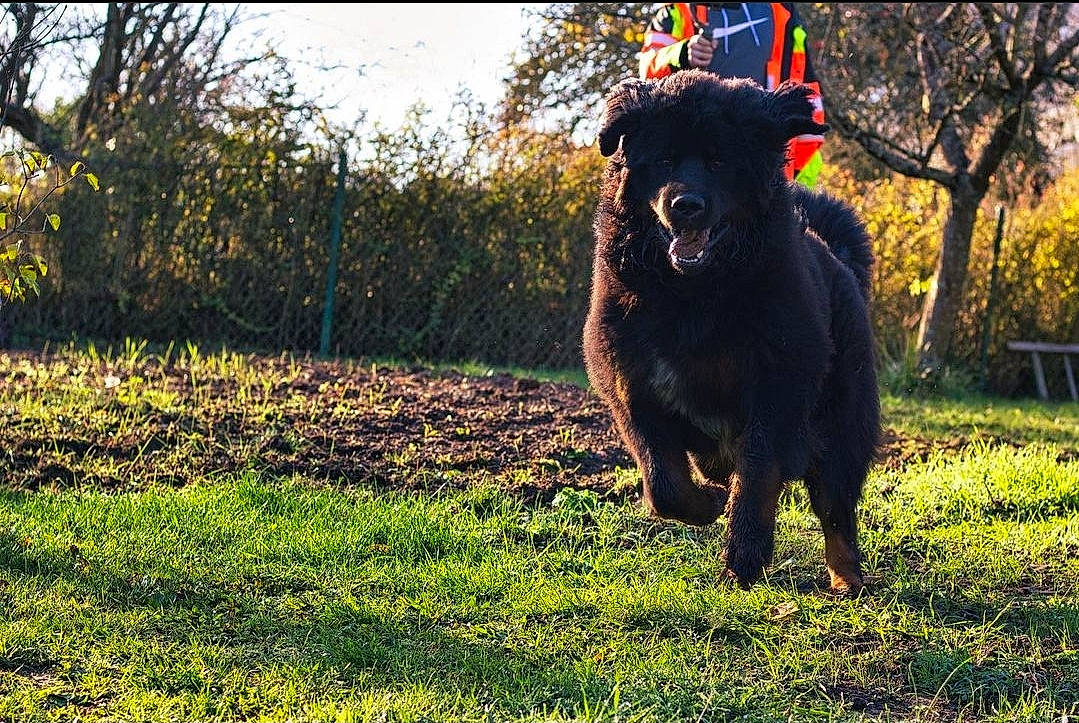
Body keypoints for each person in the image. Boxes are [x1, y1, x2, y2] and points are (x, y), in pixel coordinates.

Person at [639, 2, 825, 189]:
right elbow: (647, 70)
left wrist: (797, 179)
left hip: (763, 163)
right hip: (694, 167)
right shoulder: (678, 10)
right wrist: (681, 53)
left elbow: (803, 86)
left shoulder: (783, 11)